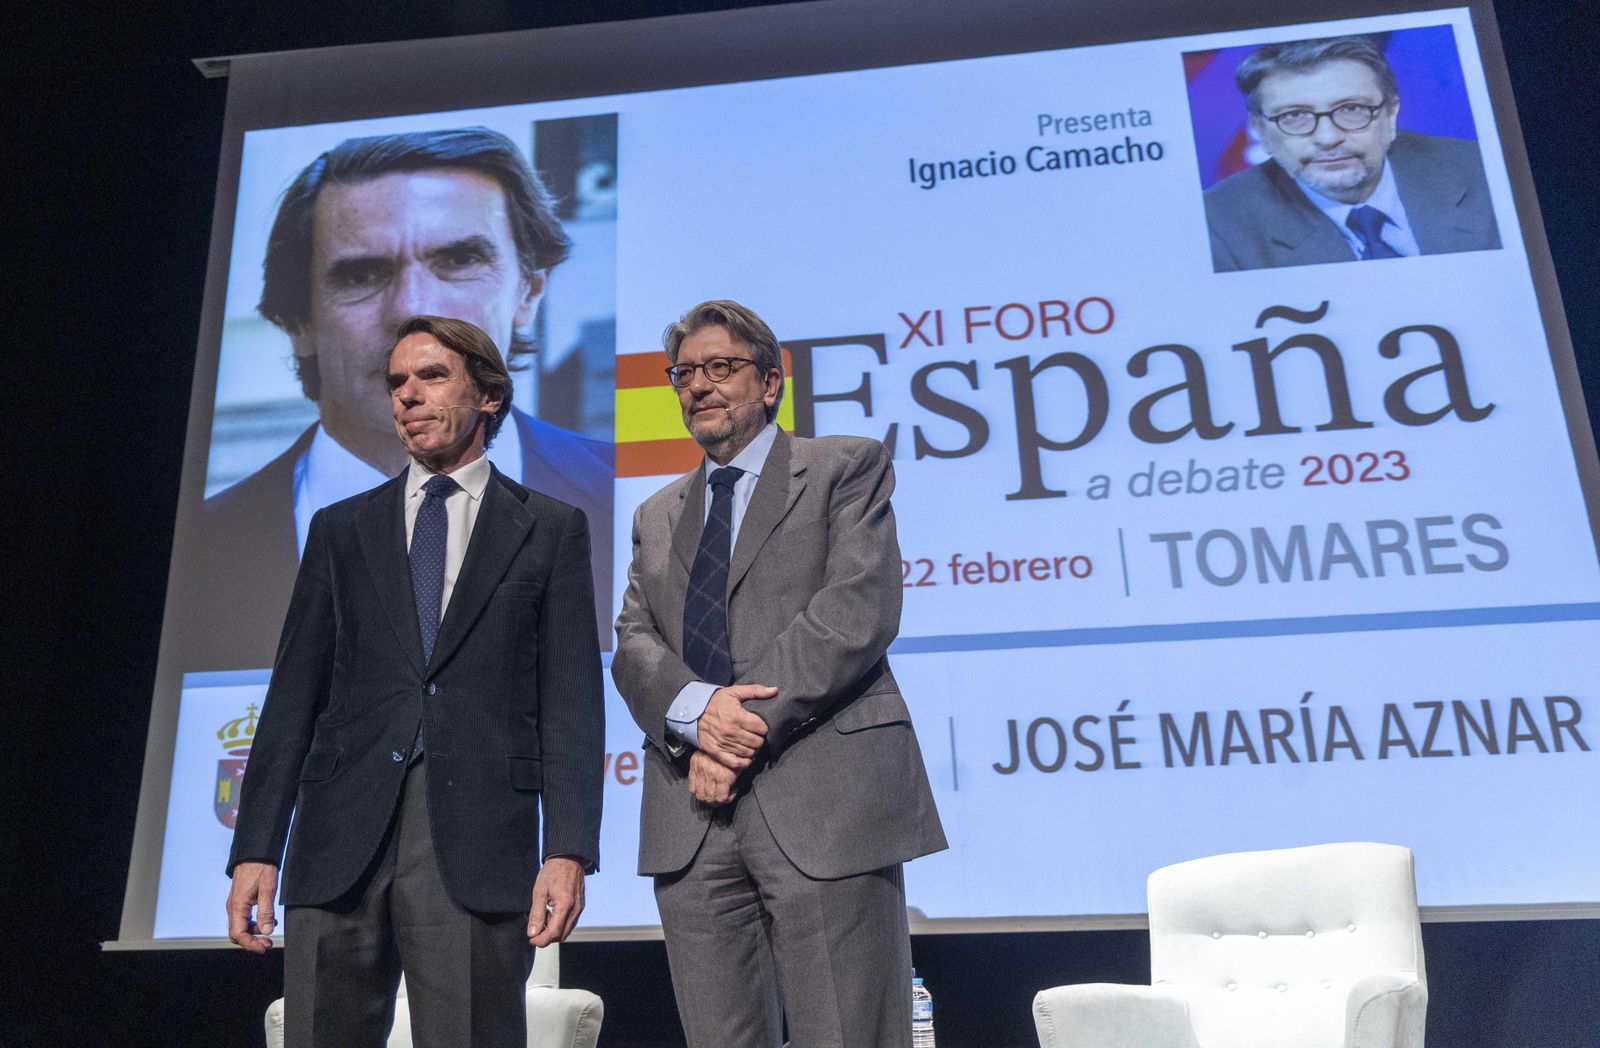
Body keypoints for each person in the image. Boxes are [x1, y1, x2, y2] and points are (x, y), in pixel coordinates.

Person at [225, 315, 604, 1047]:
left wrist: (567, 850)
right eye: (397, 381)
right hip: (339, 841)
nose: (408, 395)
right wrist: (256, 849)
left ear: (489, 395)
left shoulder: (549, 528)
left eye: (431, 376)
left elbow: (570, 704)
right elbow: (293, 698)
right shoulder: (341, 529)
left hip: (475, 841)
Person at [611, 299, 947, 1048]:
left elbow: (855, 612)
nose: (699, 385)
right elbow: (634, 644)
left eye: (721, 367)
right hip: (692, 821)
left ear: (769, 384)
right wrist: (699, 716)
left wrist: (736, 729)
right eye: (684, 373)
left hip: (822, 801)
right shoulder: (656, 513)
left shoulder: (843, 467)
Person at [185, 127, 613, 671]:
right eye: (362, 273)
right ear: (297, 320)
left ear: (528, 293)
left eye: (458, 260)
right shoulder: (201, 550)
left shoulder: (636, 505)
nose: (413, 311)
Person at [1203, 35, 1501, 272]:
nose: (1328, 138)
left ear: (1390, 115)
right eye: (1294, 116)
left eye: (1351, 109)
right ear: (1261, 132)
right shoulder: (1218, 227)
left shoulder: (1485, 170)